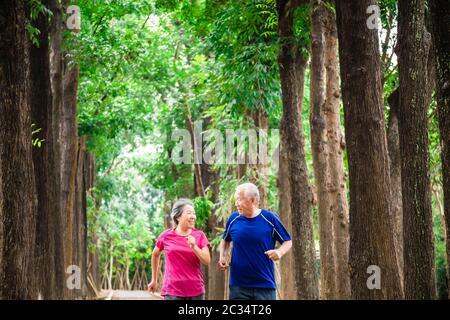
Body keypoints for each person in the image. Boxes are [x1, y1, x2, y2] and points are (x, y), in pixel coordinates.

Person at [218, 183, 292, 300]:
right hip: (238, 287)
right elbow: (225, 240)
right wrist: (223, 255)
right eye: (236, 200)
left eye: (239, 199)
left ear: (252, 200)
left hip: (264, 286)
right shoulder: (233, 219)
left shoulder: (269, 218)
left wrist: (279, 252)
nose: (236, 203)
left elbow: (287, 241)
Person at [148, 198, 211, 300]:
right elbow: (155, 255)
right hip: (172, 291)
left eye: (194, 213)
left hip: (196, 292)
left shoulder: (199, 235)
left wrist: (194, 247)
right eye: (189, 213)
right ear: (178, 217)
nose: (193, 217)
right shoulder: (166, 235)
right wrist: (154, 279)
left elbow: (207, 260)